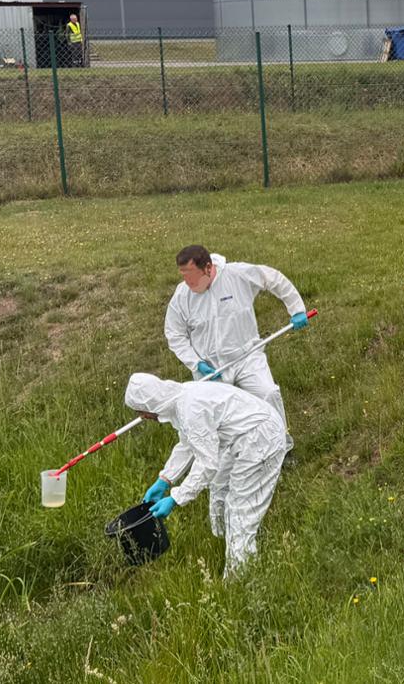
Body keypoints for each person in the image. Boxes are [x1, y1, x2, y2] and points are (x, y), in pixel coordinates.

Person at [126, 373, 289, 577]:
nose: (143, 417)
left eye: (141, 412)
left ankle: (240, 579)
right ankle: (228, 543)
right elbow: (188, 444)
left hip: (260, 439)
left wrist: (176, 498)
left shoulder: (190, 407)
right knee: (219, 488)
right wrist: (164, 479)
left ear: (151, 404)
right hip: (241, 437)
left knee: (240, 509)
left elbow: (207, 464)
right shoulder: (180, 400)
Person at [164, 246, 308, 428]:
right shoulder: (182, 295)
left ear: (208, 268)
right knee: (215, 417)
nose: (189, 283)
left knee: (269, 394)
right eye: (184, 276)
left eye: (193, 277)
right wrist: (195, 362)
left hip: (247, 356)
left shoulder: (238, 274)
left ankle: (281, 445)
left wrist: (297, 309)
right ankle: (232, 452)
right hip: (210, 367)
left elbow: (273, 279)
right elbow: (174, 334)